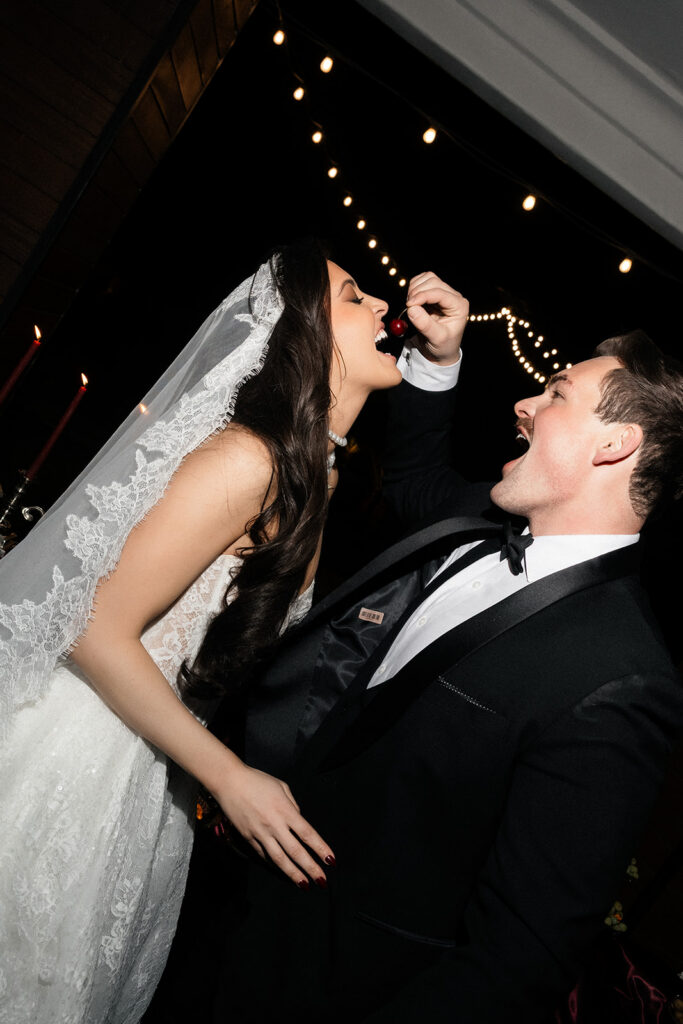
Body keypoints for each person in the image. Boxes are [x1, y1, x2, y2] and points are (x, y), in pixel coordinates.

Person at [213, 272, 683, 1023]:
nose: (524, 403)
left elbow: (516, 957)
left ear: (615, 444)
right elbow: (413, 479)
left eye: (556, 393)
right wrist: (441, 357)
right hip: (239, 911)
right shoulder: (475, 516)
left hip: (346, 991)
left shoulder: (620, 678)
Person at [0, 240, 402, 1024]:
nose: (383, 306)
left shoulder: (313, 472)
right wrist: (228, 777)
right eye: (355, 296)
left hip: (146, 768)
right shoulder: (245, 461)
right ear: (304, 336)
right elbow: (92, 626)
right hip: (81, 743)